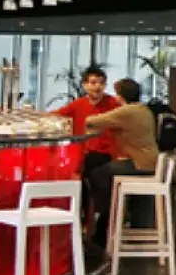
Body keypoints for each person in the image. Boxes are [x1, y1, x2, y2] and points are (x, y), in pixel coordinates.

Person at [83, 78, 158, 248]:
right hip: (150, 161)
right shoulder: (143, 109)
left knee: (98, 174)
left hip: (139, 163)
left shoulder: (127, 111)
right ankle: (117, 215)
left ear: (120, 96)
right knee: (108, 171)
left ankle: (107, 213)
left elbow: (92, 120)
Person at [52, 66, 121, 222]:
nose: (97, 87)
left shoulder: (113, 104)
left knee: (87, 172)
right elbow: (56, 115)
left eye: (101, 83)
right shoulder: (78, 104)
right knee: (73, 173)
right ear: (85, 85)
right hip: (83, 154)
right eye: (93, 83)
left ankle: (96, 217)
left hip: (106, 155)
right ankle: (82, 216)